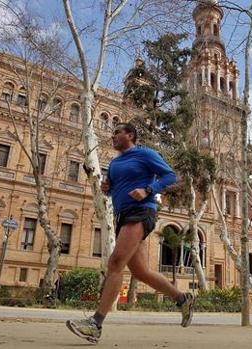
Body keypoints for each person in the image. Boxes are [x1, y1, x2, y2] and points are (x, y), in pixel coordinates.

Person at [66, 122, 194, 344]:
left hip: (142, 212)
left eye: (117, 132)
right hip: (122, 216)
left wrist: (148, 189)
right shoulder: (114, 163)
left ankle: (95, 324)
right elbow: (114, 188)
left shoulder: (145, 154)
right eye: (113, 133)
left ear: (130, 135)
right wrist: (108, 188)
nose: (113, 135)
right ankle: (182, 298)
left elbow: (170, 176)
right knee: (141, 272)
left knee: (115, 263)